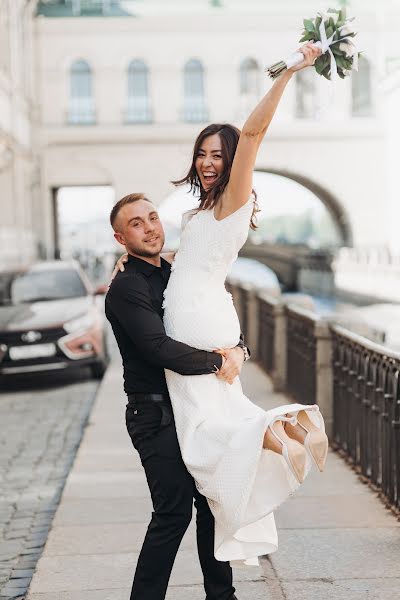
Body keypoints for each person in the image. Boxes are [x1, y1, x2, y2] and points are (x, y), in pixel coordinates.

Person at [113, 40, 329, 590]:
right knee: (211, 459)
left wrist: (291, 70)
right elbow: (188, 265)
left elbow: (253, 133)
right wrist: (141, 261)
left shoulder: (234, 196)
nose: (209, 162)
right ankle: (274, 437)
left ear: (233, 161)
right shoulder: (197, 216)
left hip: (202, 332)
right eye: (202, 154)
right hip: (192, 336)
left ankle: (279, 436)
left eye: (218, 154)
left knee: (211, 452)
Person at [106, 194, 248, 600]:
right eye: (136, 223)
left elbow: (214, 319)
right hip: (155, 414)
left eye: (152, 217)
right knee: (172, 514)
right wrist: (219, 362)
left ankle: (222, 596)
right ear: (120, 237)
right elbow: (157, 348)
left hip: (196, 408)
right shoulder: (125, 287)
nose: (149, 227)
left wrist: (239, 350)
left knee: (211, 505)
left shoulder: (177, 273)